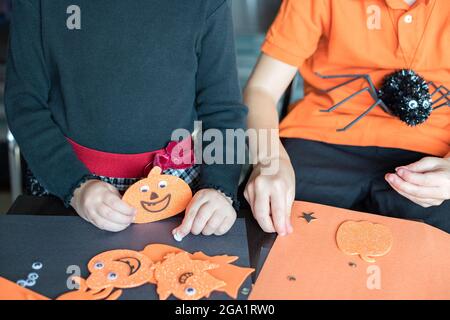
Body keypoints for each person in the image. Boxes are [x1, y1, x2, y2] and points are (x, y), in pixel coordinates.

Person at [5, 0, 247, 237]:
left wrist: (220, 187)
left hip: (178, 193)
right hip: (63, 184)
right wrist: (76, 187)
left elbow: (224, 111)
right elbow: (25, 104)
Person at [244, 0, 450, 234]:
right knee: (265, 219)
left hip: (433, 155)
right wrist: (270, 160)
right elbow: (261, 90)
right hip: (320, 139)